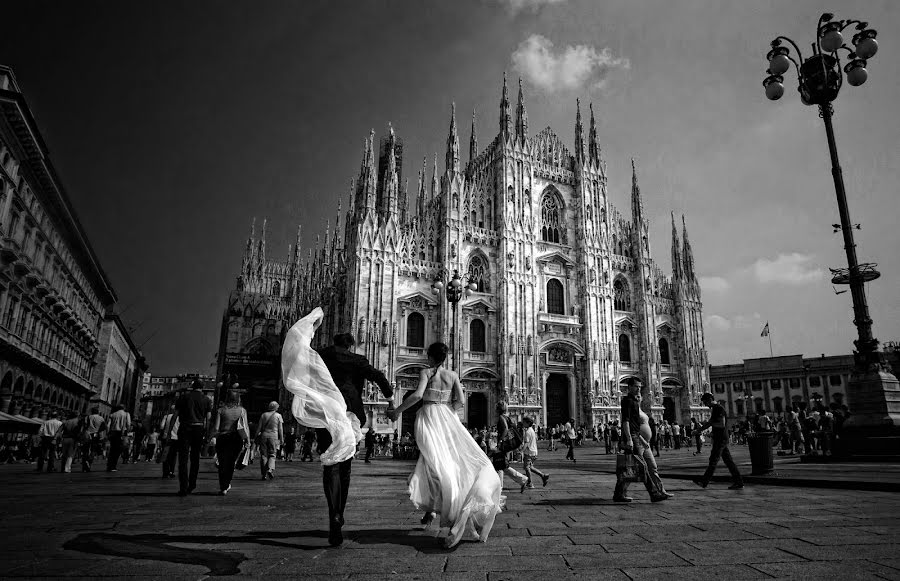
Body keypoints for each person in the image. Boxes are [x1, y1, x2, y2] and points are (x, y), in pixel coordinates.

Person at [388, 342, 502, 549]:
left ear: (430, 356)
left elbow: (417, 396)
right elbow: (461, 401)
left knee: (434, 461)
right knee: (442, 460)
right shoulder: (452, 375)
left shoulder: (426, 372)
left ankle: (441, 507)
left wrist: (397, 411)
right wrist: (449, 410)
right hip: (447, 417)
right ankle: (433, 507)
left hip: (429, 417)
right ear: (445, 357)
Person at [315, 331, 394, 546]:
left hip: (325, 411)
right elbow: (378, 376)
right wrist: (390, 399)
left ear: (333, 342)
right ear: (350, 345)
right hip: (350, 411)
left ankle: (334, 513)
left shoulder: (321, 355)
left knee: (329, 463)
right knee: (345, 466)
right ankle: (339, 513)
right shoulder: (357, 360)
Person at [613, 379, 673, 503]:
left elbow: (635, 425)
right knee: (640, 466)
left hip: (638, 438)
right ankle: (654, 493)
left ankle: (619, 494)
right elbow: (626, 421)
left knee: (632, 466)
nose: (639, 389)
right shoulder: (627, 401)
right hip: (633, 438)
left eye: (640, 387)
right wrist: (629, 439)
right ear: (629, 387)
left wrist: (642, 439)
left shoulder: (634, 402)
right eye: (636, 386)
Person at [693, 392, 744, 490]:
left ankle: (704, 481)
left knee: (713, 460)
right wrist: (709, 431)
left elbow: (721, 424)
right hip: (720, 437)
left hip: (721, 438)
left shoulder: (718, 408)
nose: (705, 405)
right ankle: (739, 482)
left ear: (710, 400)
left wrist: (704, 428)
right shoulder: (715, 409)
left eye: (705, 402)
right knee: (728, 461)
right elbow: (715, 424)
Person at [175, 380, 211, 496]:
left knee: (183, 459)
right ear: (202, 388)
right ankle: (192, 484)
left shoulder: (183, 397)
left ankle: (183, 487)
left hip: (185, 427)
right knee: (195, 458)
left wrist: (170, 430)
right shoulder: (207, 400)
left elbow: (175, 415)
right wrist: (208, 434)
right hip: (198, 428)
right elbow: (208, 419)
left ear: (192, 387)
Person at [212, 389, 250, 495]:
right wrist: (247, 440)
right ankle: (227, 484)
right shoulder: (242, 410)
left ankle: (223, 486)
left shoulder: (221, 410)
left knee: (222, 463)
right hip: (236, 439)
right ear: (238, 399)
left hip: (223, 438)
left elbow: (216, 428)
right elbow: (245, 427)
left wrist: (210, 437)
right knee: (231, 463)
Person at [491, 400, 529, 493]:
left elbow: (505, 429)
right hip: (506, 444)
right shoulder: (508, 417)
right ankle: (522, 479)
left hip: (502, 444)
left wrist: (500, 441)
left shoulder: (501, 417)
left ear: (498, 409)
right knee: (503, 465)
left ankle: (499, 489)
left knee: (499, 465)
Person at [255, 401, 284, 480]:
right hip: (273, 436)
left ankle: (263, 475)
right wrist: (281, 439)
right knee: (272, 454)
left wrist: (255, 436)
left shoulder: (263, 415)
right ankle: (270, 469)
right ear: (276, 407)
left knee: (264, 455)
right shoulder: (278, 416)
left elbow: (259, 427)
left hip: (264, 436)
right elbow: (280, 429)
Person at [520, 416, 549, 492]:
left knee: (527, 468)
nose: (523, 423)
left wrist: (521, 451)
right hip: (534, 452)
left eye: (524, 422)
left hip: (529, 452)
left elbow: (526, 443)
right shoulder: (531, 430)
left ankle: (530, 483)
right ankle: (543, 476)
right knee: (530, 467)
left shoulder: (528, 432)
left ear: (528, 423)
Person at [106, 404, 131, 472]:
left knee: (112, 449)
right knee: (118, 450)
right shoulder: (126, 414)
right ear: (124, 408)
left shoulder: (112, 414)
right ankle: (113, 466)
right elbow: (128, 424)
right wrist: (127, 432)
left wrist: (108, 433)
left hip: (113, 433)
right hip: (121, 433)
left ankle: (109, 465)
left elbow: (108, 425)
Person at [81, 407, 105, 472]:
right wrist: (101, 438)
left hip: (88, 435)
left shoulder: (87, 417)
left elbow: (84, 427)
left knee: (85, 450)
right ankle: (89, 462)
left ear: (92, 411)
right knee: (93, 450)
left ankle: (84, 464)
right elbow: (102, 429)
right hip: (96, 435)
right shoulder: (101, 418)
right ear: (97, 412)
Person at [159, 405, 179, 478]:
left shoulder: (166, 417)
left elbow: (161, 426)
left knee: (165, 454)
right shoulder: (179, 417)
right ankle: (171, 471)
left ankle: (165, 472)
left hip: (166, 438)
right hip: (176, 438)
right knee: (173, 456)